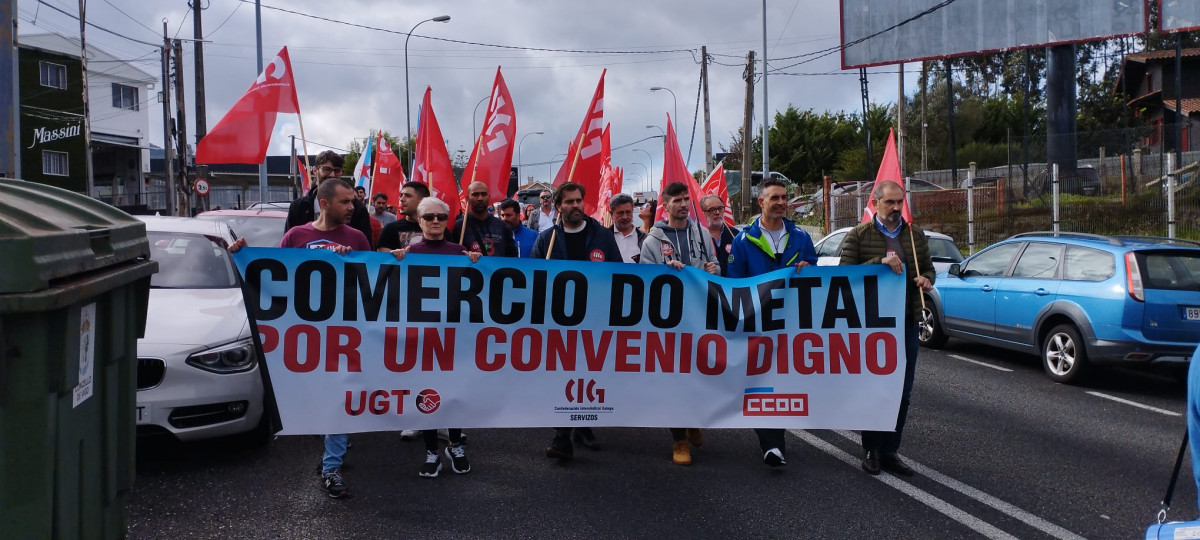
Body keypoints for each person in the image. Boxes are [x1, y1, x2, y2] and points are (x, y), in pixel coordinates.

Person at [234, 177, 372, 498]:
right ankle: (330, 448)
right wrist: (242, 255)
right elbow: (274, 275)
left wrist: (353, 263)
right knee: (317, 397)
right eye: (345, 202)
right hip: (307, 336)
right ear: (324, 204)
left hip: (346, 335)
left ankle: (331, 466)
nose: (352, 208)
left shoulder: (357, 238)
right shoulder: (297, 236)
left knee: (338, 398)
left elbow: (374, 283)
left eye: (353, 201)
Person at [838, 180, 934, 477]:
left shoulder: (914, 235)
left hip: (905, 320)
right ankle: (872, 448)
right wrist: (879, 262)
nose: (895, 208)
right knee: (875, 386)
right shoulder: (859, 234)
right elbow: (845, 273)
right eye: (889, 202)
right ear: (875, 203)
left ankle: (891, 449)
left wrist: (926, 279)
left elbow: (927, 268)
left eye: (899, 203)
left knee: (902, 390)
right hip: (872, 323)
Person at [726, 177, 818, 468]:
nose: (781, 203)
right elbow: (733, 284)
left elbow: (815, 275)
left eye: (783, 197)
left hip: (791, 323)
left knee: (784, 380)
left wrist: (808, 269)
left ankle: (774, 439)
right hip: (758, 323)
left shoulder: (802, 237)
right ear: (760, 202)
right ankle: (772, 443)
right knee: (761, 380)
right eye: (774, 198)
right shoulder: (742, 241)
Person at [388, 197, 482, 477]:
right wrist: (393, 262)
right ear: (419, 221)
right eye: (429, 217)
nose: (436, 222)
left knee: (452, 391)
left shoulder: (459, 252)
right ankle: (431, 451)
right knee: (425, 393)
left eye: (441, 217)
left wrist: (474, 261)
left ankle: (455, 444)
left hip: (454, 336)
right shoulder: (409, 253)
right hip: (422, 336)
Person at [530, 181, 622, 460]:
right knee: (562, 377)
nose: (575, 206)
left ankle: (584, 425)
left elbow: (618, 273)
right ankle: (562, 436)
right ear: (558, 207)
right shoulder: (547, 239)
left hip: (595, 321)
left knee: (589, 376)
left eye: (578, 201)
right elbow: (533, 277)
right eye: (568, 202)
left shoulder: (602, 236)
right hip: (559, 323)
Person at [638, 182, 718, 465]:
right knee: (673, 378)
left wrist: (713, 268)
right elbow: (644, 280)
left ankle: (692, 419)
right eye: (677, 200)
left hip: (700, 318)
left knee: (699, 375)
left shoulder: (703, 234)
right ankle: (678, 439)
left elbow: (714, 266)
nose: (683, 204)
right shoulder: (652, 241)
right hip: (669, 322)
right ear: (666, 205)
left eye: (686, 199)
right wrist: (664, 271)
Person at [285, 151, 374, 249]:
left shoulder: (358, 209)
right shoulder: (298, 207)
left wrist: (351, 255)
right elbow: (287, 254)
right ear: (315, 170)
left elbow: (365, 255)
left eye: (337, 170)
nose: (332, 175)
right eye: (326, 169)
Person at [452, 181, 517, 258]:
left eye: (483, 194)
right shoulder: (459, 227)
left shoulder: (503, 226)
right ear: (467, 198)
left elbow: (512, 258)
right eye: (475, 194)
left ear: (489, 197)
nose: (480, 198)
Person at [377, 181, 429, 253]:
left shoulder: (437, 229)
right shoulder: (390, 229)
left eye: (408, 196)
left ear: (422, 200)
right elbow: (382, 260)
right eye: (401, 195)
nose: (401, 199)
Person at [700, 194, 737, 276]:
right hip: (708, 286)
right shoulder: (697, 236)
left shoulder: (735, 235)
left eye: (720, 208)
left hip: (733, 285)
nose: (717, 212)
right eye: (712, 209)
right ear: (703, 213)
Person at [609, 193, 646, 263]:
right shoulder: (603, 237)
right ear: (611, 214)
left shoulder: (644, 238)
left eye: (628, 212)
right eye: (620, 213)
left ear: (632, 211)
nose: (625, 217)